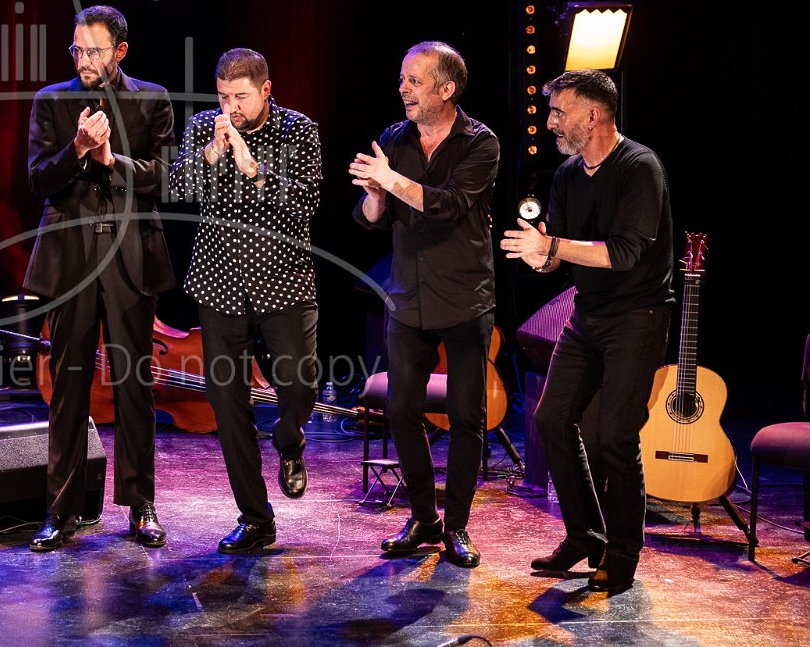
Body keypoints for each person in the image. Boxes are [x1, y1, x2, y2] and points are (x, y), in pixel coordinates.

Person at [500, 68, 673, 594]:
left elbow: (623, 253)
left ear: (593, 115)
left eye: (560, 111)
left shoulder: (639, 167)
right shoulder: (568, 174)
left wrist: (553, 248)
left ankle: (622, 553)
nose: (551, 121)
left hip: (638, 316)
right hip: (588, 312)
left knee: (615, 436)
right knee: (550, 419)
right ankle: (584, 534)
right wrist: (541, 256)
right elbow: (560, 250)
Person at [24, 5, 175, 551]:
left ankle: (141, 504)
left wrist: (111, 160)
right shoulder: (51, 101)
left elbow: (166, 178)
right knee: (68, 386)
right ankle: (61, 509)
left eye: (94, 51)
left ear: (120, 51)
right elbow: (39, 178)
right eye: (77, 50)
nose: (83, 60)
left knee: (135, 386)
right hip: (71, 259)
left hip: (132, 256)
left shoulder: (153, 99)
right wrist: (78, 150)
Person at [349, 41, 499, 568]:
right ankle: (423, 518)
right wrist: (375, 194)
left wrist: (392, 180)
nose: (403, 89)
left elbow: (450, 205)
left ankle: (456, 525)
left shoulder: (480, 143)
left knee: (465, 416)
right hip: (408, 297)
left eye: (414, 80)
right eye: (402, 79)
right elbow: (372, 217)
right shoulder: (395, 137)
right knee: (401, 409)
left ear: (446, 89)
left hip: (464, 296)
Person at [169, 48, 321, 554]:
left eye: (240, 96)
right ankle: (255, 517)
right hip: (220, 283)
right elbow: (175, 189)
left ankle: (289, 439)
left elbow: (305, 204)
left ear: (265, 90)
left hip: (283, 281)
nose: (230, 107)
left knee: (298, 383)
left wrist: (251, 167)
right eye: (222, 96)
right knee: (227, 403)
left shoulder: (298, 130)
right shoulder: (203, 128)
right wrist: (212, 154)